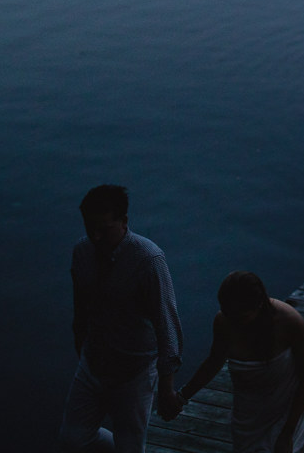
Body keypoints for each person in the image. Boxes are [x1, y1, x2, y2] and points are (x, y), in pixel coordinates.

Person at [59, 184, 185, 452]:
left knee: (130, 444)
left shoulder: (148, 259)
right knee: (73, 438)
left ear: (124, 221)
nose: (96, 237)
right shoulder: (82, 252)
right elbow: (80, 306)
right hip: (93, 363)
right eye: (90, 228)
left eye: (104, 229)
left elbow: (167, 324)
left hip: (135, 371)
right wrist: (80, 344)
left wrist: (167, 387)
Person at [171, 271, 304, 452]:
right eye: (227, 313)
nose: (234, 323)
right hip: (248, 413)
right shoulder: (224, 321)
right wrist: (183, 396)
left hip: (287, 410)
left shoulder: (290, 323)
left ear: (260, 305)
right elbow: (214, 362)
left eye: (241, 317)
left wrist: (287, 432)